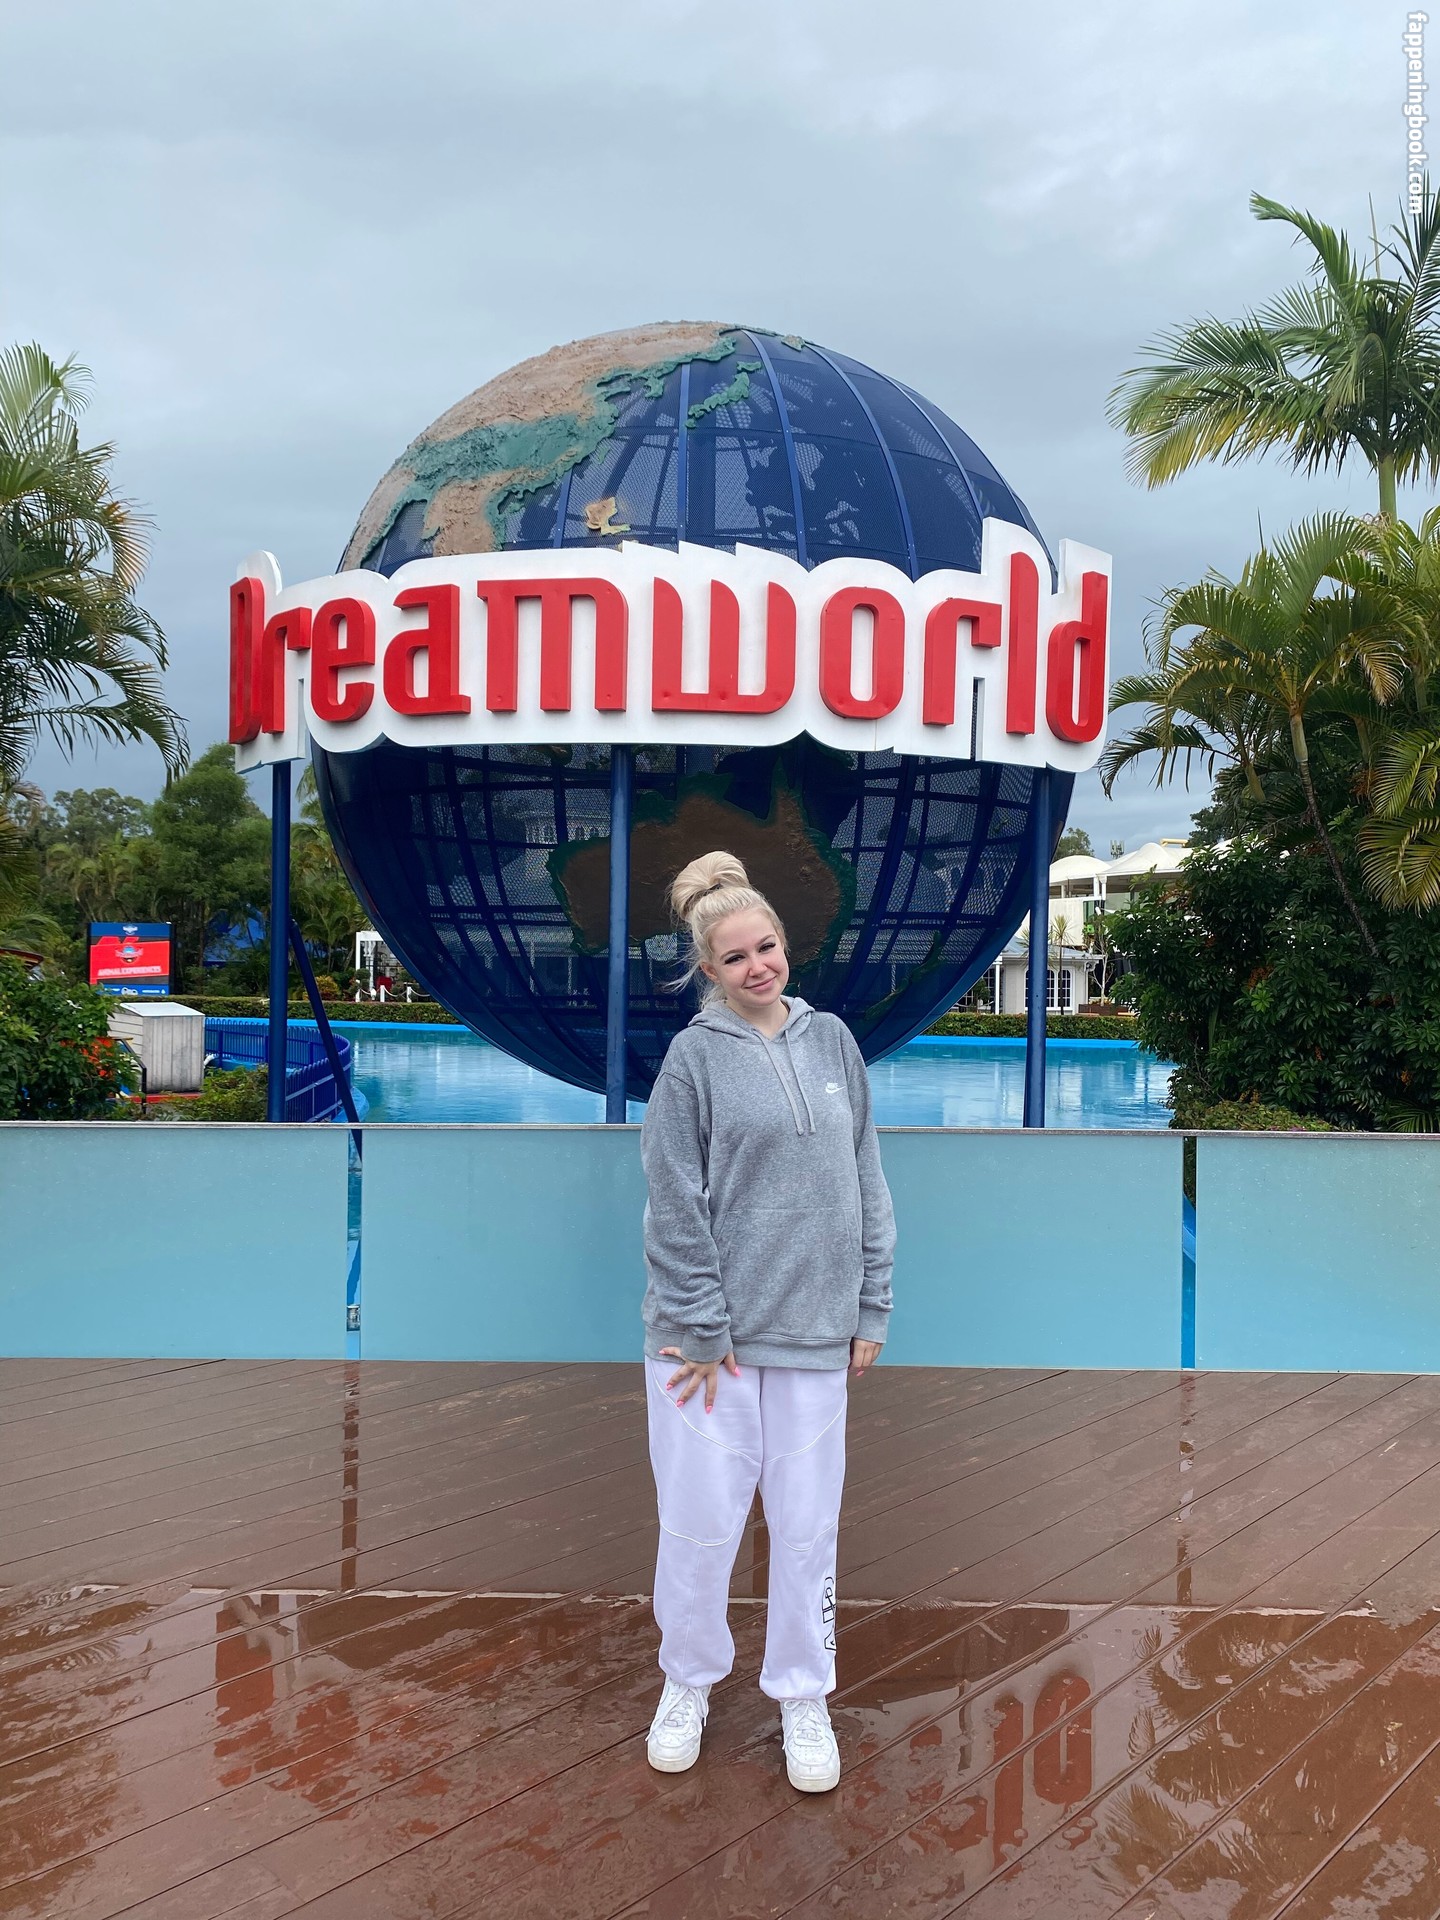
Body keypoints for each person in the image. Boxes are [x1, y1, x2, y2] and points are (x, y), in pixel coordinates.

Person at [640, 849, 896, 1793]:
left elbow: (866, 1177)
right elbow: (673, 1204)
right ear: (708, 968)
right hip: (705, 1350)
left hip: (817, 1334)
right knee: (699, 1527)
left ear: (786, 946)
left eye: (768, 948)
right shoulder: (692, 1061)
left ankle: (802, 1695)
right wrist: (704, 1327)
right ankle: (687, 1683)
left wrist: (872, 1302)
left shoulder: (834, 1043)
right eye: (737, 956)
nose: (759, 966)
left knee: (806, 1529)